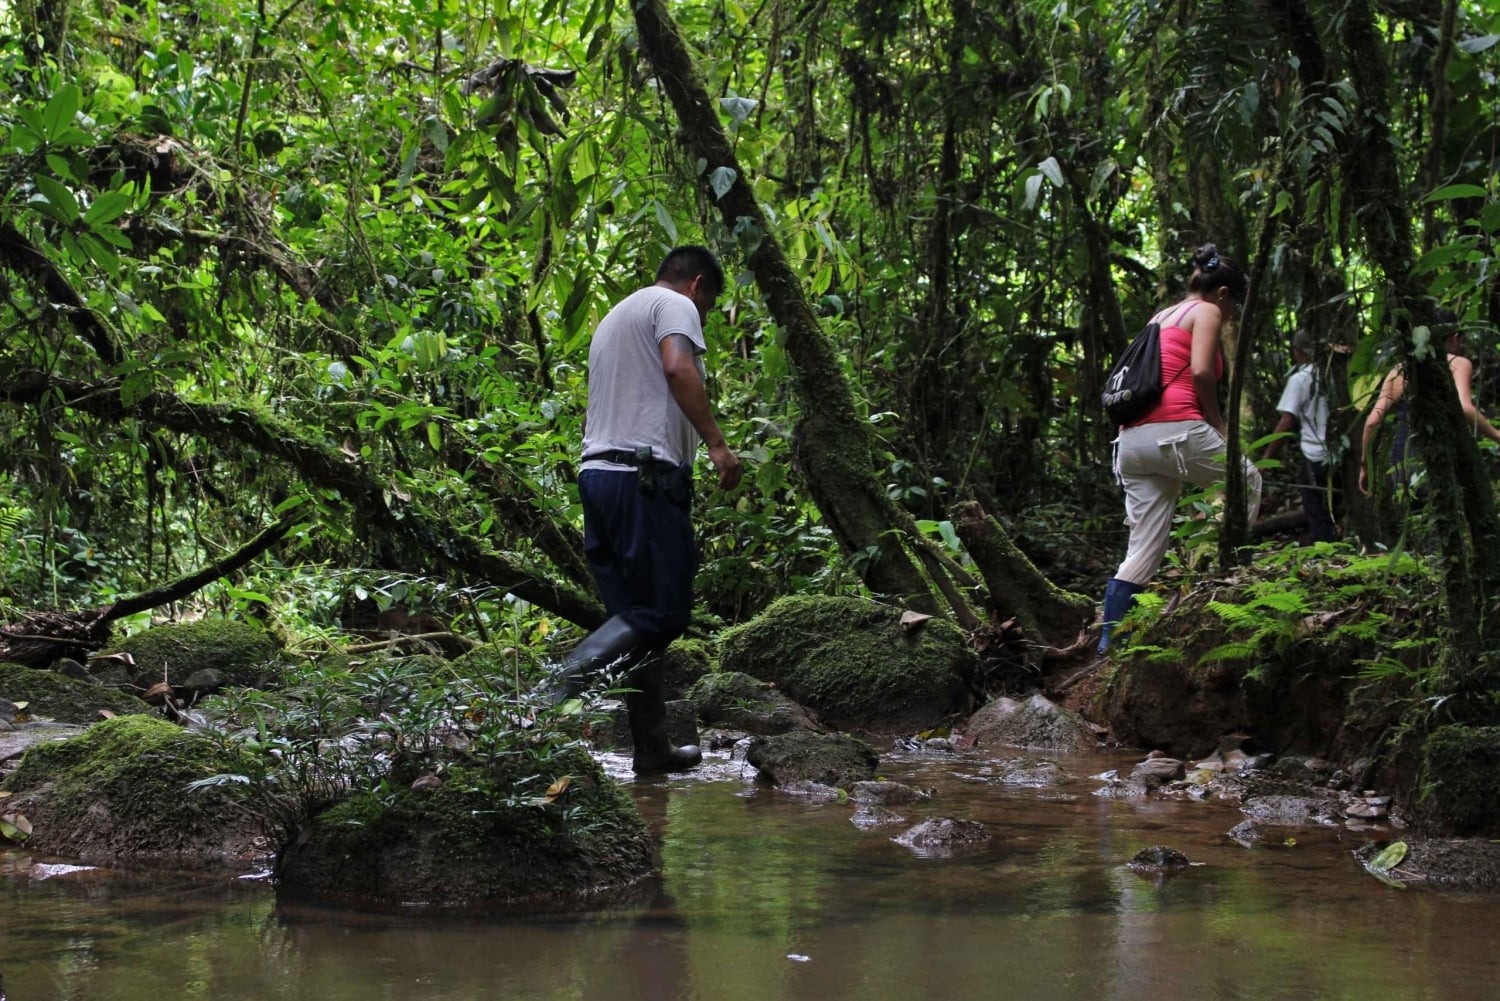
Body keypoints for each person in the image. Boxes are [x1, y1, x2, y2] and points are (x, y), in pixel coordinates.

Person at [546, 245, 743, 773]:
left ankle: (652, 747)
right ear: (697, 285)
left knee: (635, 620)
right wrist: (717, 445)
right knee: (662, 613)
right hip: (644, 479)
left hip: (601, 477)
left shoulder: (615, 318)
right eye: (708, 307)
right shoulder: (672, 304)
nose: (702, 320)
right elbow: (678, 368)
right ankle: (555, 686)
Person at [1097, 244, 1263, 653]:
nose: (1230, 315)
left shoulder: (1161, 316)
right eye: (1232, 305)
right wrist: (1219, 424)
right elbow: (1204, 372)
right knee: (1248, 479)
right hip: (1175, 431)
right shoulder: (1205, 311)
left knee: (1144, 548)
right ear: (1222, 294)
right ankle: (1226, 574)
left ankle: (1109, 642)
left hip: (1132, 442)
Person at [1358, 310, 1500, 498]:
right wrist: (1497, 436)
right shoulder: (1458, 363)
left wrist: (1365, 467)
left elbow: (1372, 422)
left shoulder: (1399, 370)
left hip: (1402, 461)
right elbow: (1464, 407)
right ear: (1455, 337)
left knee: (1416, 519)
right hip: (1439, 456)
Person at [1263, 329, 1336, 542]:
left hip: (1315, 450)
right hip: (1338, 449)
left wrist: (1267, 457)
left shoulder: (1301, 379)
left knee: (1315, 503)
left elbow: (1287, 420)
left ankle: (1328, 549)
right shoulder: (1332, 373)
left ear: (1298, 352)